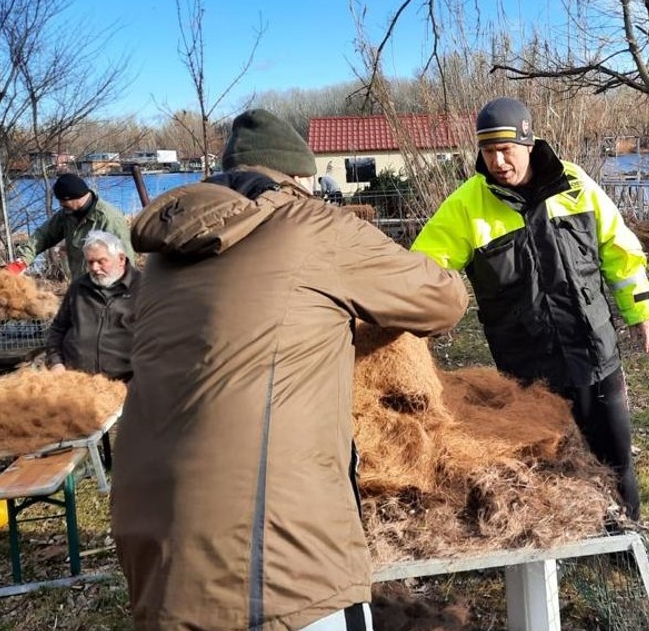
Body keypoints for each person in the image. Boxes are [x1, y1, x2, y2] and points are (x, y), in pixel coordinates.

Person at [111, 109, 468, 631]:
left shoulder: (164, 257)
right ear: (299, 177)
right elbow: (443, 300)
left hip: (152, 546)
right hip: (275, 561)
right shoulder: (316, 228)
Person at [410, 97, 649, 565]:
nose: (497, 161)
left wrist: (640, 309)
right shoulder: (466, 206)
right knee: (547, 466)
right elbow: (422, 270)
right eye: (488, 151)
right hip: (527, 372)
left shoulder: (576, 185)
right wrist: (407, 320)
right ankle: (558, 556)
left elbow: (618, 246)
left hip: (594, 353)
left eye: (506, 149)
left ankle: (630, 549)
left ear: (529, 143)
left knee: (616, 458)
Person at [45, 230, 140, 382]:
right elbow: (58, 329)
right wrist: (56, 362)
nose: (95, 268)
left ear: (121, 259)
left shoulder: (144, 288)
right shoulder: (78, 287)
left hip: (125, 384)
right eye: (90, 262)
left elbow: (160, 344)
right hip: (76, 381)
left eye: (101, 261)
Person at [8, 173, 134, 279]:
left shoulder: (109, 219)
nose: (61, 204)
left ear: (76, 196)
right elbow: (43, 236)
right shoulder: (68, 215)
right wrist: (22, 262)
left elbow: (125, 261)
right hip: (81, 287)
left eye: (63, 200)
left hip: (106, 290)